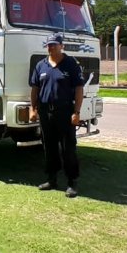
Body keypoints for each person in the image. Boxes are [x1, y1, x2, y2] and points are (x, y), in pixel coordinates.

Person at [29, 33, 84, 197]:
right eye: (49, 45)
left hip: (65, 112)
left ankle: (72, 182)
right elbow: (35, 89)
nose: (51, 47)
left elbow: (79, 89)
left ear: (62, 46)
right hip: (46, 112)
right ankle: (51, 179)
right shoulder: (41, 65)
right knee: (49, 147)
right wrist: (33, 109)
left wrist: (77, 112)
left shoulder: (71, 64)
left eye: (55, 44)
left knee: (68, 148)